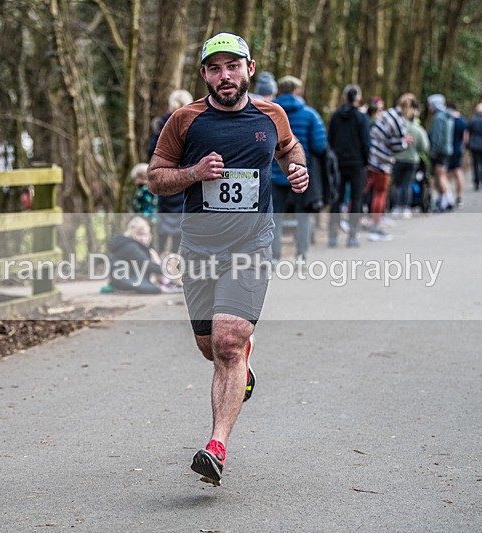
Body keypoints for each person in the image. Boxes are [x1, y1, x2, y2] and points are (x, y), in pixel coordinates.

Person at [147, 32, 308, 486]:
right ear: (204, 75)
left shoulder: (271, 115)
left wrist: (296, 167)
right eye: (215, 69)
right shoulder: (185, 120)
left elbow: (289, 147)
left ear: (249, 69)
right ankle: (243, 365)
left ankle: (216, 446)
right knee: (209, 347)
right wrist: (193, 174)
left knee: (228, 342)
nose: (225, 76)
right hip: (198, 250)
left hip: (251, 245)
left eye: (232, 66)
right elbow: (155, 179)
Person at [271, 75, 327, 263]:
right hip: (300, 173)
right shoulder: (310, 115)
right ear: (297, 91)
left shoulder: (269, 113)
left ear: (279, 91)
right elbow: (320, 146)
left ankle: (275, 256)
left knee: (275, 216)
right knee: (303, 215)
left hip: (274, 172)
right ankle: (301, 255)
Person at [148, 90, 194, 253]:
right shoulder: (191, 125)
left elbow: (151, 151)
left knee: (163, 219)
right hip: (183, 180)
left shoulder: (161, 125)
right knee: (179, 222)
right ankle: (174, 258)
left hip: (164, 179)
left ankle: (160, 255)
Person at [327, 83, 370, 247]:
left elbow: (329, 140)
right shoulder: (361, 118)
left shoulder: (335, 116)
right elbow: (366, 143)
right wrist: (365, 162)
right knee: (356, 198)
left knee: (336, 198)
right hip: (357, 163)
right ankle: (352, 235)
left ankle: (332, 234)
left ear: (344, 97)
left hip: (338, 162)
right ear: (358, 98)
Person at [366, 93, 413, 241]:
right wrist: (406, 142)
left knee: (365, 189)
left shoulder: (388, 113)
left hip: (371, 156)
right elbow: (396, 145)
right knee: (380, 193)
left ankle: (353, 219)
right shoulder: (398, 121)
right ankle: (375, 225)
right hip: (382, 161)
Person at [107, 217, 180, 294]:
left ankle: (165, 282)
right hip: (123, 280)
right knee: (154, 289)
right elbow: (146, 265)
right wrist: (165, 269)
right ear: (131, 233)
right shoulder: (130, 246)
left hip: (130, 278)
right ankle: (165, 283)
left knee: (153, 286)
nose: (143, 238)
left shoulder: (135, 246)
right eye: (139, 234)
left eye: (145, 235)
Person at [393, 95, 429, 219]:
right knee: (407, 184)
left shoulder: (395, 125)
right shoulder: (416, 128)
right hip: (412, 160)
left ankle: (396, 207)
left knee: (397, 184)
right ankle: (406, 208)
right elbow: (424, 146)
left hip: (397, 158)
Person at [427, 94, 454, 211]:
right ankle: (448, 198)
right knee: (443, 174)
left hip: (440, 151)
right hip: (447, 149)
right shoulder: (448, 116)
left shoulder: (438, 117)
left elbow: (436, 136)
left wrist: (433, 149)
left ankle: (444, 201)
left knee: (440, 175)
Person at [447, 102, 468, 209]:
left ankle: (447, 197)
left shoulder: (446, 119)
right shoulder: (462, 120)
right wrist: (462, 147)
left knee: (444, 175)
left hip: (447, 150)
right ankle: (459, 198)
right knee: (458, 172)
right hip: (457, 149)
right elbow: (465, 137)